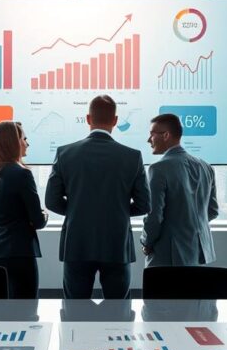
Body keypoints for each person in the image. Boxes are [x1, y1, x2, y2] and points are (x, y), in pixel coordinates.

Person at [45, 95, 150, 299]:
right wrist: (117, 210)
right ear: (115, 121)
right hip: (116, 243)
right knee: (118, 310)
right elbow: (144, 204)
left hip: (77, 243)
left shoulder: (65, 153)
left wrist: (78, 211)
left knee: (74, 309)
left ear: (88, 118)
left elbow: (51, 201)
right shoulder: (132, 156)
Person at [0, 121, 48, 298]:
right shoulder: (22, 174)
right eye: (24, 139)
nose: (27, 143)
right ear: (14, 142)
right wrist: (45, 214)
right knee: (25, 308)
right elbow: (37, 221)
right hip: (19, 254)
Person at [140, 113, 218, 267]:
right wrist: (189, 228)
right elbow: (212, 211)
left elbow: (154, 216)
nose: (149, 140)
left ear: (166, 135)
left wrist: (146, 242)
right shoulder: (206, 167)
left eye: (152, 134)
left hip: (169, 255)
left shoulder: (158, 169)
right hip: (199, 253)